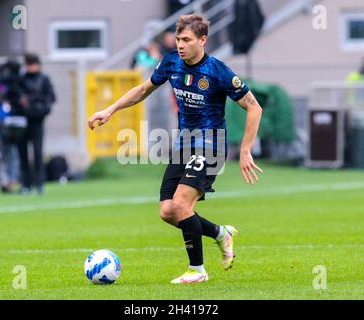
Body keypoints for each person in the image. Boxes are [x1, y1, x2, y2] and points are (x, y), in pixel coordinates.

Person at [88, 14, 263, 284]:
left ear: (203, 40)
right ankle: (220, 233)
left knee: (182, 204)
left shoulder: (218, 71)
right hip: (183, 146)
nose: (180, 45)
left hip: (210, 147)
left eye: (187, 40)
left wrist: (245, 150)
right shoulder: (171, 61)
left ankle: (197, 271)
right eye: (178, 39)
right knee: (168, 211)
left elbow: (254, 107)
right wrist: (110, 110)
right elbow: (145, 88)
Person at [18, 53, 56, 194]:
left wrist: (37, 104)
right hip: (23, 121)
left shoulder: (44, 79)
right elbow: (16, 96)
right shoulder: (21, 79)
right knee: (23, 154)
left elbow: (51, 97)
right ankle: (26, 185)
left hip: (37, 121)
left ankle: (39, 184)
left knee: (38, 153)